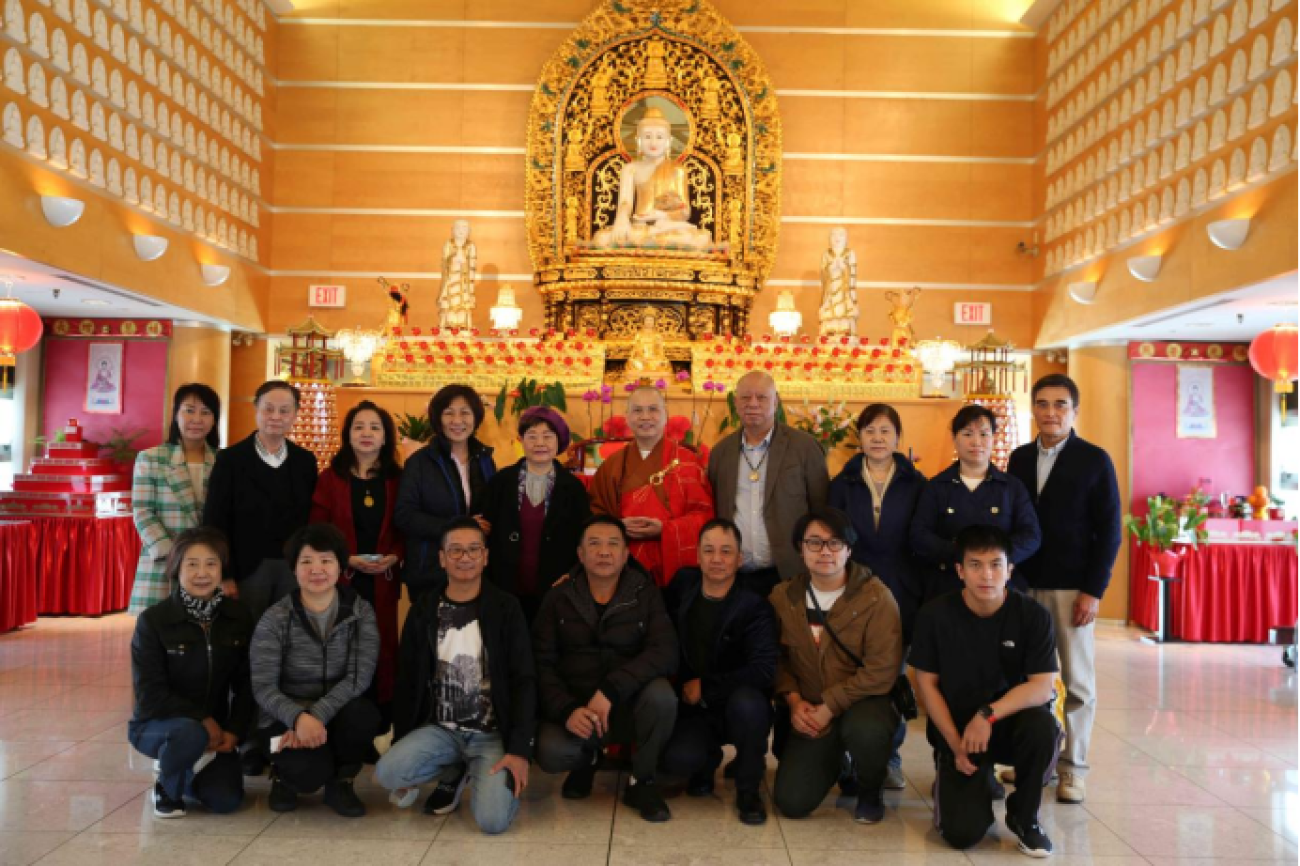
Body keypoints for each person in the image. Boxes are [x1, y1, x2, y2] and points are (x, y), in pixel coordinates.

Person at [375, 518, 536, 835]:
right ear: (442, 558)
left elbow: (524, 679)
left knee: (492, 822)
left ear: (485, 557)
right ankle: (455, 768)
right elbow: (407, 680)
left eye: (474, 550)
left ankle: (476, 771)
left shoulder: (506, 608)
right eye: (456, 550)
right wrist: (401, 742)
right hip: (442, 730)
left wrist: (519, 751)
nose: (465, 557)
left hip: (491, 734)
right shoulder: (424, 609)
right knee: (387, 773)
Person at [910, 525, 1061, 857]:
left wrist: (987, 716)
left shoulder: (1033, 616)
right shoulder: (934, 615)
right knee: (961, 834)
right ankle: (964, 777)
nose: (986, 575)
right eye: (975, 565)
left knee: (1043, 727)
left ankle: (1025, 817)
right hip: (958, 730)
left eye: (995, 564)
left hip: (1007, 723)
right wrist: (954, 742)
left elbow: (1042, 686)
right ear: (960, 571)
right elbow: (927, 685)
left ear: (1010, 569)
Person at [1007, 374, 1121, 806]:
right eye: (1042, 403)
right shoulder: (1019, 458)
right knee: (1025, 678)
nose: (1050, 412)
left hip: (1072, 589)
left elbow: (1109, 532)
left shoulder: (1094, 460)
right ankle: (1033, 759)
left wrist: (1093, 590)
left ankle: (1073, 768)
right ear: (1033, 409)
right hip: (1023, 585)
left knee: (1076, 683)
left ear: (1074, 411)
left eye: (1060, 404)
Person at [533, 515, 679, 822]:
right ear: (580, 554)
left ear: (626, 554)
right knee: (551, 751)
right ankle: (588, 760)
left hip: (628, 704)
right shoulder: (558, 597)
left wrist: (612, 689)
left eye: (613, 544)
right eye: (594, 544)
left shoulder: (645, 593)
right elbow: (541, 663)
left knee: (662, 697)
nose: (603, 552)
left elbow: (665, 651)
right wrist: (567, 709)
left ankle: (642, 781)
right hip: (579, 707)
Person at [769, 508, 902, 824]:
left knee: (866, 730)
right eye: (814, 543)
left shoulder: (876, 598)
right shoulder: (783, 597)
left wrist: (830, 706)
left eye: (835, 542)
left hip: (862, 704)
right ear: (801, 549)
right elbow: (776, 659)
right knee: (792, 802)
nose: (825, 551)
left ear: (849, 549)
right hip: (811, 706)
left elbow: (882, 670)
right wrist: (794, 701)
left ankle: (870, 791)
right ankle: (840, 764)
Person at [250, 524, 382, 818]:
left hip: (336, 712)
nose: (316, 569)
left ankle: (341, 782)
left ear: (340, 566)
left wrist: (316, 716)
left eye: (326, 560)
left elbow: (359, 677)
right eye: (306, 561)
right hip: (284, 717)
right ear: (294, 568)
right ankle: (283, 777)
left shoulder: (360, 612)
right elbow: (263, 686)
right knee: (308, 774)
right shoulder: (275, 617)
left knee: (364, 715)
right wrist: (298, 718)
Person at [828, 403, 926, 790]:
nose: (878, 438)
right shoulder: (843, 483)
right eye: (870, 430)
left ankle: (890, 757)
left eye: (886, 431)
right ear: (860, 438)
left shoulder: (917, 483)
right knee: (848, 672)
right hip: (853, 590)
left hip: (901, 592)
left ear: (898, 437)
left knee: (891, 677)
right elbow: (833, 536)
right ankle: (847, 755)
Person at [129, 527, 252, 818]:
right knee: (188, 733)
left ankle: (182, 770)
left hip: (216, 730)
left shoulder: (238, 617)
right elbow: (150, 694)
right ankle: (166, 786)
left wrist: (233, 731)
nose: (202, 573)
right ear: (176, 568)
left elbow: (247, 683)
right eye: (192, 564)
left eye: (211, 564)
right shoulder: (154, 621)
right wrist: (201, 719)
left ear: (222, 568)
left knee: (225, 801)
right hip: (158, 724)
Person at [661, 519, 776, 826]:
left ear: (739, 559)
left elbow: (764, 670)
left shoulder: (755, 605)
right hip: (693, 707)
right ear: (697, 556)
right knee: (677, 759)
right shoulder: (683, 585)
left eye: (726, 551)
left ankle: (749, 790)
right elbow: (644, 597)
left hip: (738, 704)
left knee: (749, 705)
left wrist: (708, 687)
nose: (716, 559)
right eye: (708, 550)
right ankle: (706, 763)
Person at [309, 401, 404, 726]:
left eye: (375, 427)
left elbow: (405, 527)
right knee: (342, 646)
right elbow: (317, 529)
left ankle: (380, 721)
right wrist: (345, 558)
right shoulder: (330, 478)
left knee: (381, 646)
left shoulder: (397, 479)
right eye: (359, 426)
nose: (366, 433)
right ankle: (344, 719)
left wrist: (395, 556)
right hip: (342, 578)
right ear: (348, 434)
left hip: (382, 578)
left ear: (385, 437)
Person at [203, 380, 318, 622]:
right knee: (245, 633)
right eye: (268, 408)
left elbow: (309, 519)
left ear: (295, 414)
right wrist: (224, 574)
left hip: (292, 568)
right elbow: (215, 520)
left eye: (284, 410)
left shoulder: (305, 462)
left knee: (288, 633)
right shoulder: (230, 460)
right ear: (256, 408)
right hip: (245, 570)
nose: (276, 416)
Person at [708, 372, 830, 598]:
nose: (753, 404)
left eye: (762, 397)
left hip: (790, 572)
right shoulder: (721, 452)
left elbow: (821, 509)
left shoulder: (804, 447)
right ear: (735, 403)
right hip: (735, 574)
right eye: (745, 397)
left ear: (776, 401)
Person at [910, 405, 1041, 604]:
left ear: (993, 438)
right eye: (967, 434)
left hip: (1001, 588)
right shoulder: (936, 487)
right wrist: (963, 557)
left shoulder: (1011, 487)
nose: (976, 442)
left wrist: (996, 560)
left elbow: (1031, 535)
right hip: (948, 587)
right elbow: (919, 535)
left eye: (984, 434)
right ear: (955, 439)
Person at [475, 406, 591, 624]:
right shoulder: (501, 482)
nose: (540, 443)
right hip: (504, 585)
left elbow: (584, 536)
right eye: (532, 436)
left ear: (559, 441)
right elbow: (484, 528)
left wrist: (574, 574)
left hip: (557, 588)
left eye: (547, 436)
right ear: (521, 440)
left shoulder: (573, 487)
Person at [590, 385, 714, 587]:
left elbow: (704, 516)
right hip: (623, 565)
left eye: (653, 409)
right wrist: (617, 526)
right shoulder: (612, 465)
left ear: (665, 415)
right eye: (637, 410)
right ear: (627, 417)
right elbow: (595, 513)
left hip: (676, 571)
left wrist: (665, 529)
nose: (645, 417)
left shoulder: (688, 462)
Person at [396, 384, 496, 606]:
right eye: (449, 413)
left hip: (474, 570)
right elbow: (405, 515)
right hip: (430, 570)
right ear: (438, 418)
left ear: (476, 417)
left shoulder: (484, 460)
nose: (457, 421)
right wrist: (458, 526)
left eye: (465, 413)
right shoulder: (419, 462)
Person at [130, 383, 222, 613]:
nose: (197, 419)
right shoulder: (151, 458)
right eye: (189, 410)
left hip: (208, 564)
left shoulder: (224, 461)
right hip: (165, 561)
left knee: (207, 626)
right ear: (176, 415)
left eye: (206, 412)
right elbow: (143, 511)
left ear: (214, 420)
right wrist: (174, 554)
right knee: (159, 626)